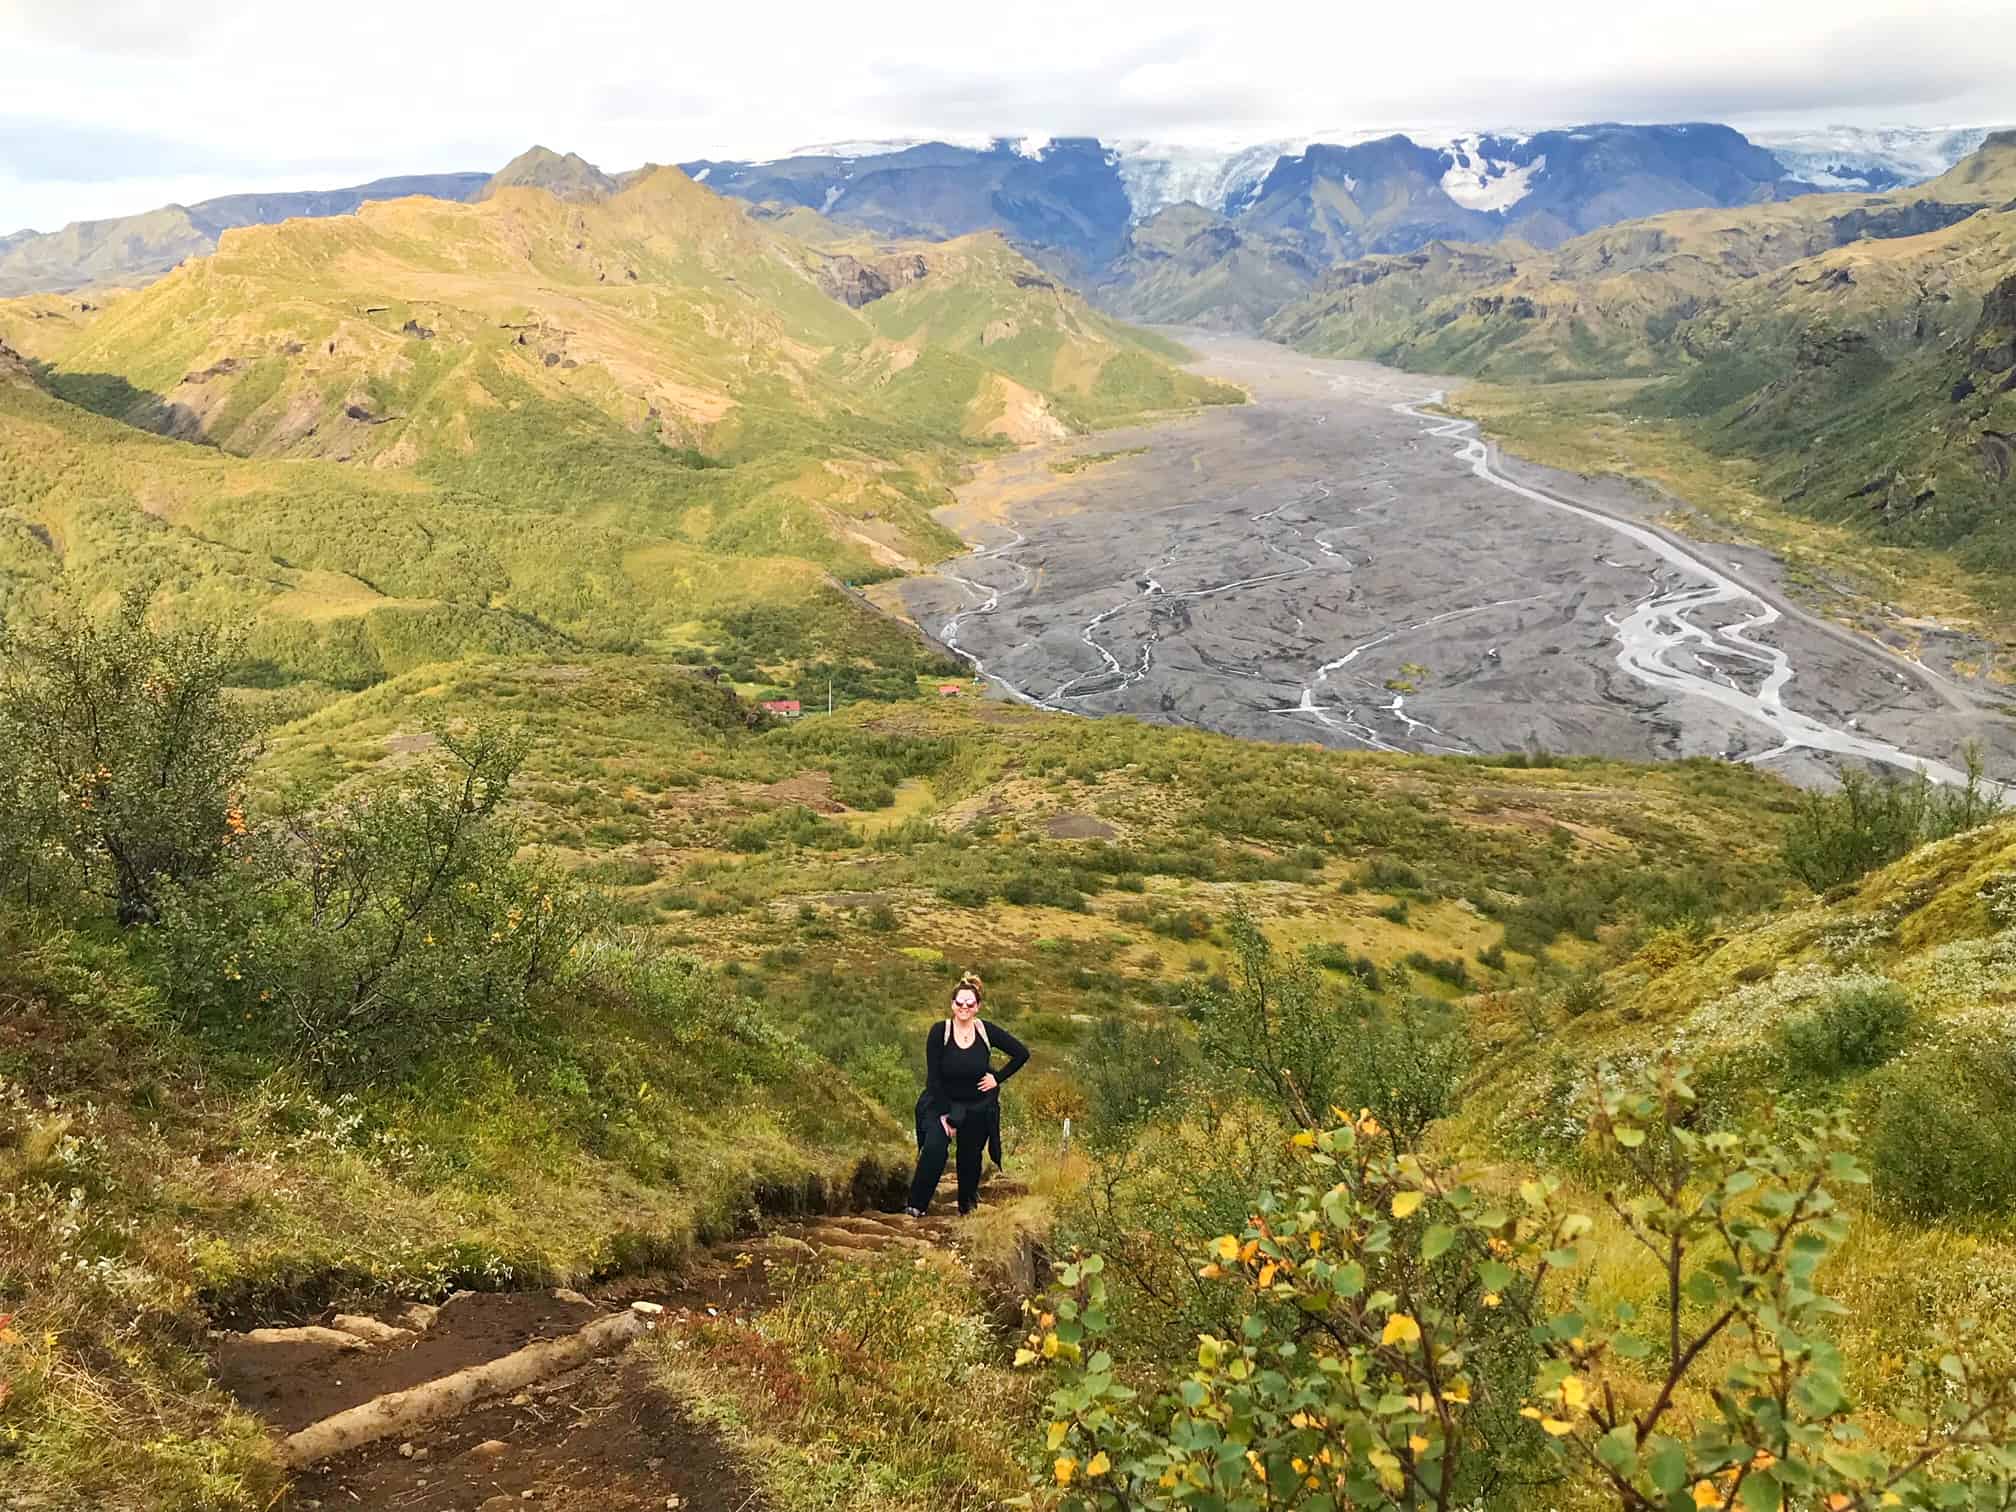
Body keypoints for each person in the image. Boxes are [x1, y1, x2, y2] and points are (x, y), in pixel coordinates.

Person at [904, 972, 1029, 1217]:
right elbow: (933, 1078)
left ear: (977, 1006)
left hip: (976, 1104)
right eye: (959, 1003)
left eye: (969, 1004)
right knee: (935, 1147)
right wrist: (945, 1116)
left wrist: (997, 1079)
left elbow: (1021, 1053)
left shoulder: (985, 1031)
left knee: (970, 1158)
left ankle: (967, 1211)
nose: (964, 1007)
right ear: (952, 1004)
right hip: (940, 1100)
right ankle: (915, 1206)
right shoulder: (940, 1031)